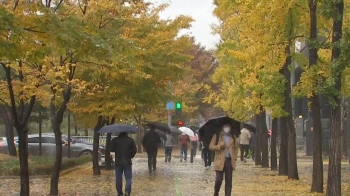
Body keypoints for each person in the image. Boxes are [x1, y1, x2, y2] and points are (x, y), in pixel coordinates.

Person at [209, 123, 239, 196]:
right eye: (225, 126)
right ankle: (216, 192)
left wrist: (234, 157)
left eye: (228, 127)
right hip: (219, 160)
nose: (227, 128)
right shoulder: (217, 135)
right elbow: (211, 146)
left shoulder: (233, 136)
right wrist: (219, 146)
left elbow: (236, 148)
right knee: (219, 179)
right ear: (222, 127)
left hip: (229, 161)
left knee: (229, 181)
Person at [110, 132, 137, 196]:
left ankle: (119, 192)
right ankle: (127, 191)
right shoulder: (130, 140)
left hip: (118, 162)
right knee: (128, 178)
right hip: (127, 161)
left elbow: (111, 149)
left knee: (118, 178)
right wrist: (131, 155)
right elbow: (134, 150)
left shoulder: (115, 140)